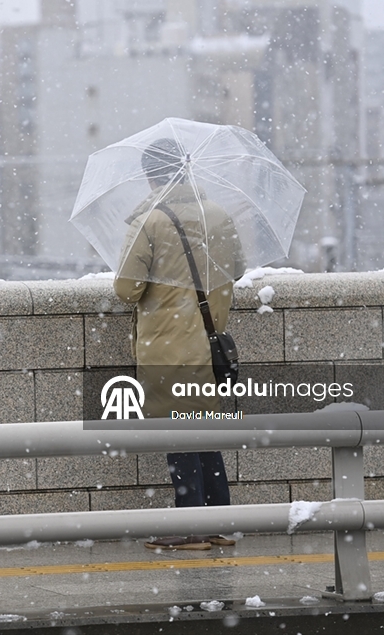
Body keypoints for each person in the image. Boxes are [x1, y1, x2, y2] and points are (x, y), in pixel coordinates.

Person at [114, 138, 245, 551]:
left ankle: (191, 530)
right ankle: (218, 522)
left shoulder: (151, 221)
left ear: (152, 175)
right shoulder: (219, 216)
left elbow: (126, 288)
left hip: (167, 348)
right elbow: (236, 270)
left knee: (178, 436)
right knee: (205, 434)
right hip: (208, 345)